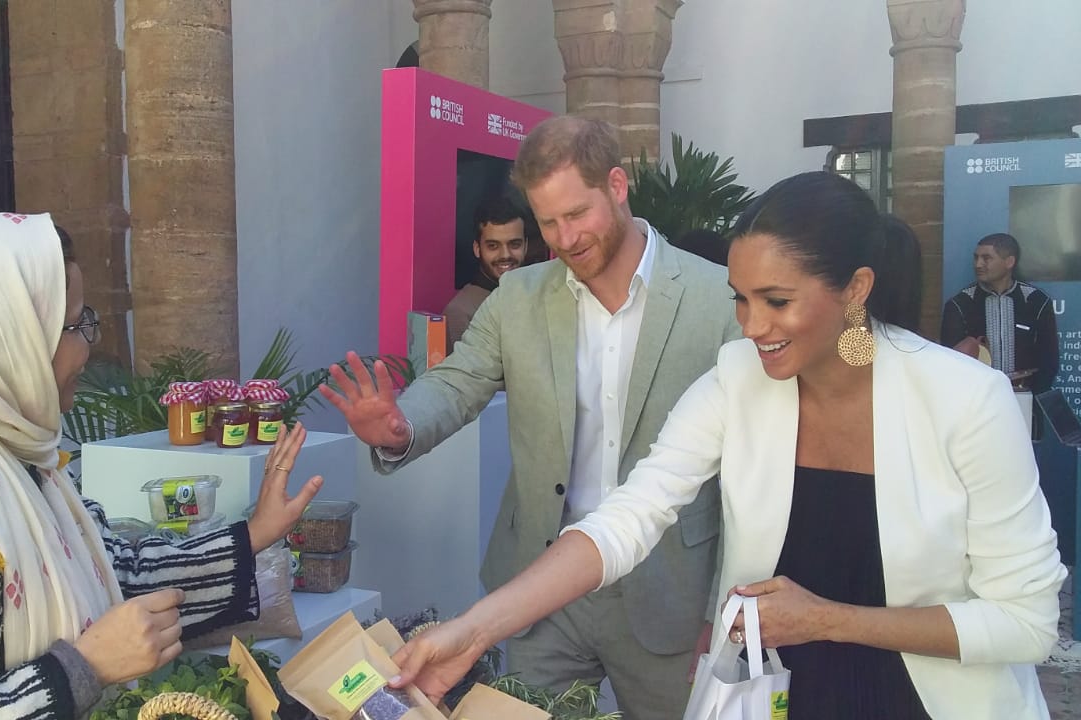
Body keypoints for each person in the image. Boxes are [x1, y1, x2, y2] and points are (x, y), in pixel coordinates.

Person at [389, 171, 1066, 720]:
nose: (752, 326)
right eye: (741, 299)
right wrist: (474, 631)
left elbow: (1026, 622)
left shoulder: (966, 400)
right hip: (768, 699)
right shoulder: (741, 378)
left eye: (776, 301)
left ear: (855, 289)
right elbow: (630, 517)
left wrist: (829, 620)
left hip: (929, 703)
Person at [0, 213, 323, 719]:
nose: (88, 348)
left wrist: (253, 535)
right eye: (74, 325)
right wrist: (83, 667)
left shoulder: (11, 461)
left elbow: (114, 575)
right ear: (6, 343)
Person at [321, 115, 739, 720]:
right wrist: (400, 426)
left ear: (617, 187)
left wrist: (717, 611)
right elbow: (458, 381)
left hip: (667, 586)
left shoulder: (717, 298)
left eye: (577, 214)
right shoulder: (517, 298)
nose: (564, 238)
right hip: (541, 582)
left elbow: (742, 475)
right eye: (547, 222)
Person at [940, 232, 1058, 394]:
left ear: (1009, 262)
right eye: (976, 258)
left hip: (1024, 401)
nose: (978, 264)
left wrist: (1031, 400)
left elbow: (1049, 361)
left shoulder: (1036, 302)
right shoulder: (960, 304)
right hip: (977, 402)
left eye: (986, 258)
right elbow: (949, 362)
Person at [444, 192, 529, 353]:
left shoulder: (536, 298)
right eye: (493, 246)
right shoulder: (461, 312)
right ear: (477, 249)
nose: (505, 255)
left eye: (514, 244)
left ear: (526, 246)